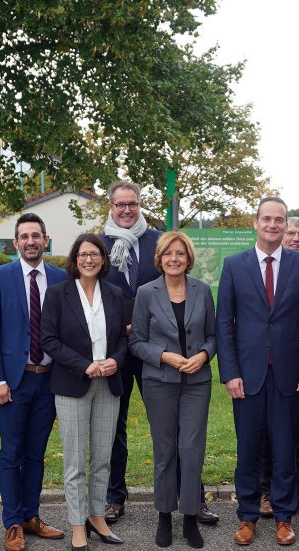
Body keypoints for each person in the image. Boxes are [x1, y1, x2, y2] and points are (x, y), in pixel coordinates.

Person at [99, 180, 219, 526]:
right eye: (120, 204)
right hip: (114, 351)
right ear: (111, 206)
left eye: (132, 203)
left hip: (163, 350)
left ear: (140, 204)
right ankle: (114, 497)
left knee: (181, 431)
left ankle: (192, 498)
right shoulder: (100, 245)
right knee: (114, 426)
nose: (126, 210)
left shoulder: (158, 242)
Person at [216, 196, 299, 547]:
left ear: (286, 223)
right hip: (247, 376)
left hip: (290, 376)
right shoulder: (234, 265)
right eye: (267, 219)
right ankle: (247, 517)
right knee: (247, 449)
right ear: (256, 223)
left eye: (280, 220)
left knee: (284, 449)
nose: (273, 225)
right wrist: (230, 372)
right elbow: (224, 325)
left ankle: (283, 516)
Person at [0, 213, 68, 551]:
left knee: (36, 453)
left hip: (48, 381)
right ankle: (12, 522)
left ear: (46, 241)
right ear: (15, 243)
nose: (31, 241)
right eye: (24, 236)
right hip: (13, 384)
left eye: (37, 235)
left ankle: (32, 515)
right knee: (12, 453)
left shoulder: (61, 277)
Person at [41, 234, 128, 551]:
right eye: (83, 254)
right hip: (72, 384)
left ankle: (96, 516)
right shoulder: (57, 295)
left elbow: (123, 338)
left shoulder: (115, 294)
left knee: (103, 457)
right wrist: (84, 365)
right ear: (74, 259)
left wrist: (115, 361)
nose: (89, 259)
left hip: (109, 383)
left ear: (103, 259)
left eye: (94, 254)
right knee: (75, 460)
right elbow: (48, 340)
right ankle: (78, 524)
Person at [130, 231, 216, 549]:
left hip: (197, 382)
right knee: (165, 452)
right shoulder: (146, 293)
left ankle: (191, 517)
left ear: (188, 258)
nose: (174, 259)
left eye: (180, 253)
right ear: (160, 259)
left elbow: (212, 335)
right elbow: (136, 341)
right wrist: (164, 355)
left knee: (191, 451)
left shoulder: (203, 291)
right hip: (159, 382)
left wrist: (204, 355)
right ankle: (164, 516)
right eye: (168, 254)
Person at [258, 216, 299, 519]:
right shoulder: (261, 268)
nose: (295, 238)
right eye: (291, 233)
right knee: (269, 436)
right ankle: (267, 491)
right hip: (268, 366)